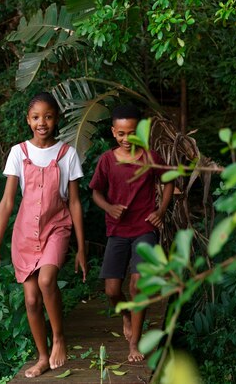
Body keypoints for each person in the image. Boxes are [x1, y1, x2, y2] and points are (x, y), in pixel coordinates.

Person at [0, 92, 87, 378]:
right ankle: (42, 356)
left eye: (49, 116)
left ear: (56, 119)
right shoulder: (19, 153)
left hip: (57, 228)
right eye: (36, 117)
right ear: (28, 121)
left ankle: (59, 337)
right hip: (25, 234)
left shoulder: (67, 154)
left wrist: (80, 247)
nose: (43, 122)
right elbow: (7, 203)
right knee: (30, 300)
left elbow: (75, 203)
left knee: (46, 280)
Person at [89, 104, 175, 363]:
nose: (127, 139)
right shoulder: (107, 160)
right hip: (117, 231)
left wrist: (160, 210)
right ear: (114, 133)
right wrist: (109, 207)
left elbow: (168, 181)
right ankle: (125, 314)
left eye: (133, 133)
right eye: (122, 134)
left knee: (138, 285)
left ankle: (134, 344)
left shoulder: (150, 157)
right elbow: (96, 192)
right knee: (112, 291)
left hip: (144, 230)